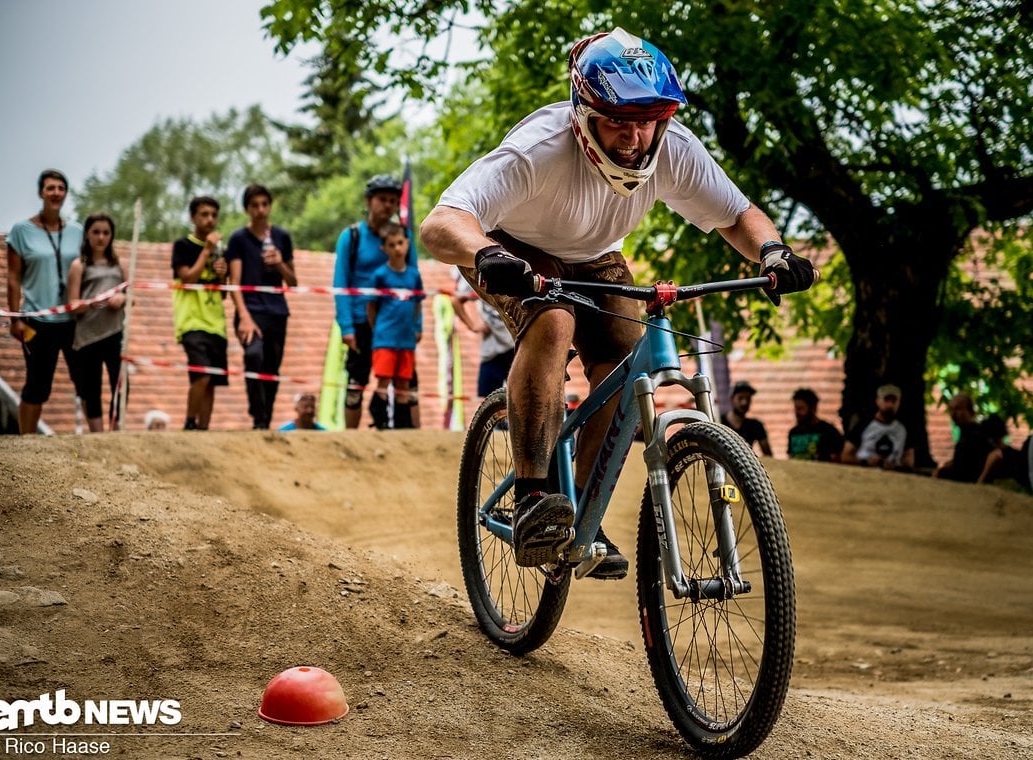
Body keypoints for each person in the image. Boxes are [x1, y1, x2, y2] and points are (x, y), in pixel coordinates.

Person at [419, 28, 815, 577]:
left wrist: (773, 253)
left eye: (646, 121)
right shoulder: (538, 150)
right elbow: (440, 223)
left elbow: (738, 215)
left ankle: (582, 509)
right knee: (553, 322)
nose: (633, 138)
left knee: (629, 360)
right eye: (617, 121)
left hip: (596, 255)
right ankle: (534, 496)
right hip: (512, 249)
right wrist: (485, 255)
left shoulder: (675, 150)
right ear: (583, 116)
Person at [334, 175, 421, 429]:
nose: (388, 206)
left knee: (407, 381)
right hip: (363, 322)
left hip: (398, 324)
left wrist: (417, 325)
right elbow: (341, 283)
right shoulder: (351, 237)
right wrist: (347, 326)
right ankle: (350, 439)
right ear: (369, 201)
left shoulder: (404, 236)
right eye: (382, 200)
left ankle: (416, 439)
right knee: (356, 381)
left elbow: (415, 281)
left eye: (393, 201)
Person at [6, 169, 85, 434]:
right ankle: (25, 440)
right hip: (36, 317)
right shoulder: (21, 231)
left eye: (61, 188)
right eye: (51, 188)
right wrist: (14, 317)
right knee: (37, 384)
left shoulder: (77, 231)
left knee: (85, 380)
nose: (56, 193)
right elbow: (13, 277)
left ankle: (97, 440)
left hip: (73, 319)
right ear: (41, 192)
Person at [227, 184, 296, 429]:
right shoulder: (238, 239)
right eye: (255, 205)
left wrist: (279, 263)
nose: (260, 210)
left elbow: (293, 281)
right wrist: (244, 317)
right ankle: (257, 416)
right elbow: (233, 283)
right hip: (251, 310)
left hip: (277, 310)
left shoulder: (281, 237)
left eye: (264, 204)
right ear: (247, 209)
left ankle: (265, 420)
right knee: (253, 355)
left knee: (272, 368)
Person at [172, 196, 230, 430]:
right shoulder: (183, 246)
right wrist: (206, 252)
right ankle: (189, 422)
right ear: (193, 217)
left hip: (216, 322)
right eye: (204, 214)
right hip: (191, 321)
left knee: (212, 381)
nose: (210, 220)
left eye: (214, 215)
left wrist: (221, 274)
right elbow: (187, 278)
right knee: (201, 375)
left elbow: (224, 293)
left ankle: (204, 430)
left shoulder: (220, 250)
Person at [65, 213, 127, 432]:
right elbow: (72, 302)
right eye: (96, 232)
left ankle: (116, 428)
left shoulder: (119, 264)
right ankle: (97, 436)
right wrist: (88, 304)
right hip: (87, 335)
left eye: (106, 232)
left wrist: (123, 298)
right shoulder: (79, 265)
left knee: (119, 384)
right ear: (87, 235)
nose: (101, 237)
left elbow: (132, 294)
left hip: (115, 332)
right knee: (91, 388)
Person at [365, 223, 424, 430]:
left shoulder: (414, 276)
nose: (397, 248)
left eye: (400, 243)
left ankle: (402, 427)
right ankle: (379, 422)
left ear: (407, 244)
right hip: (385, 338)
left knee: (403, 384)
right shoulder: (380, 275)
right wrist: (377, 330)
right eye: (392, 245)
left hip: (406, 339)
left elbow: (417, 303)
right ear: (385, 249)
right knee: (383, 381)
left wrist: (417, 327)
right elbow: (371, 306)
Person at [451, 266, 514, 399]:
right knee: (486, 401)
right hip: (492, 349)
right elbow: (456, 300)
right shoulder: (483, 274)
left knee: (521, 400)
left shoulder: (517, 270)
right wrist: (473, 325)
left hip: (516, 346)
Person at [841, 383, 916, 470]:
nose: (890, 405)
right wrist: (865, 462)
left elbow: (909, 460)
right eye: (886, 400)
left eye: (894, 401)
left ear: (899, 403)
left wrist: (896, 467)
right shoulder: (863, 425)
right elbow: (845, 456)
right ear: (878, 401)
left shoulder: (903, 429)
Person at [933, 393, 995, 482]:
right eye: (951, 409)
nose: (953, 414)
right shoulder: (965, 434)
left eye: (958, 409)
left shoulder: (977, 435)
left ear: (971, 412)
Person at [786, 387, 843, 462]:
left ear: (813, 408)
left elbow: (836, 460)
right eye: (796, 409)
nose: (797, 413)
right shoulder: (793, 432)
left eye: (801, 408)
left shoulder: (829, 431)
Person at [721, 380, 773, 456]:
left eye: (748, 399)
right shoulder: (719, 422)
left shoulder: (755, 426)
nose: (744, 403)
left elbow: (768, 455)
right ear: (731, 399)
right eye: (740, 398)